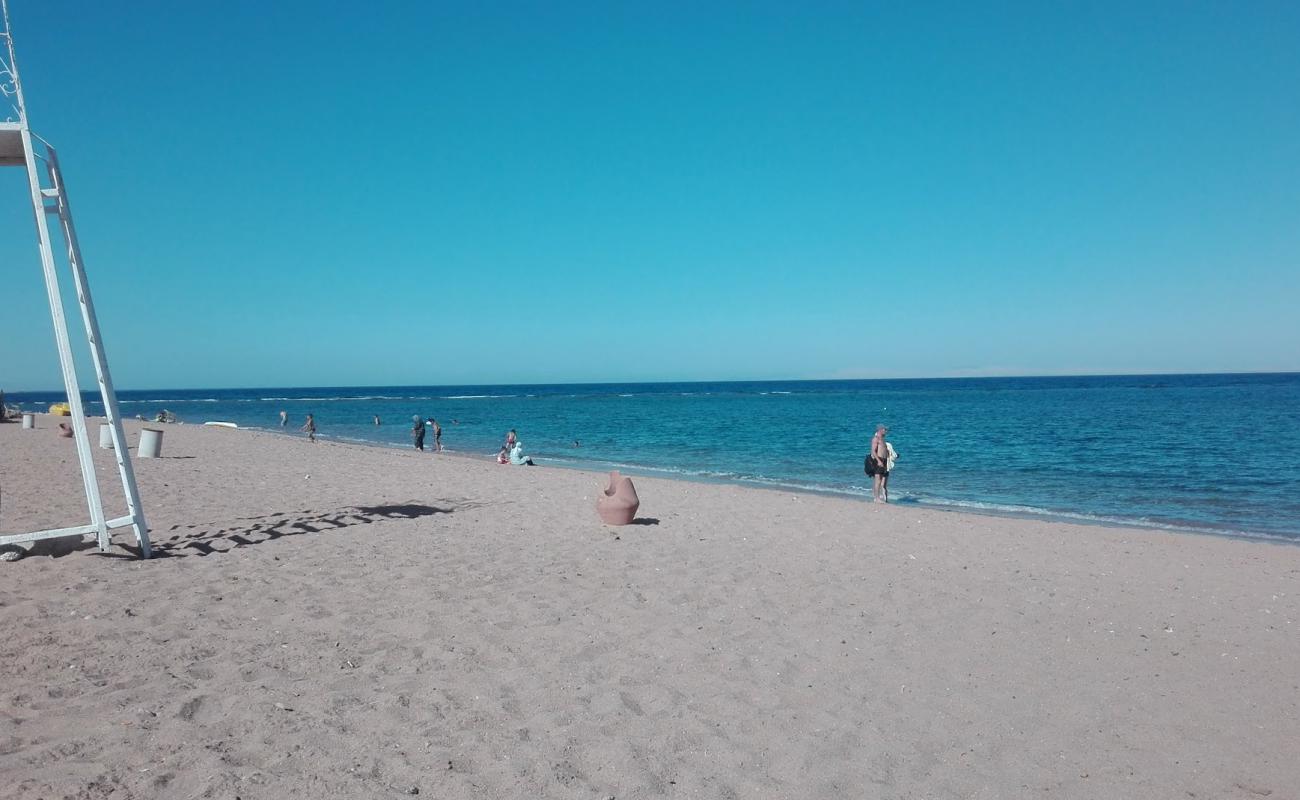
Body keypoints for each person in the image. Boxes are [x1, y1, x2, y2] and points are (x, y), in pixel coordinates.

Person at [865, 424, 889, 502]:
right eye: (885, 430)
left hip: (884, 460)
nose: (886, 431)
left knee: (881, 480)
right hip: (879, 460)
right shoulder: (876, 439)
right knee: (877, 480)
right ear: (880, 430)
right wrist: (879, 461)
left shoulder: (882, 438)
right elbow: (873, 451)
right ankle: (876, 498)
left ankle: (879, 497)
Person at [882, 439, 899, 503]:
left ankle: (882, 498)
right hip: (884, 467)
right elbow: (894, 456)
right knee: (883, 485)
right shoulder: (887, 445)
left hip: (881, 467)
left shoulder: (879, 445)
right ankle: (884, 499)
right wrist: (897, 456)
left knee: (881, 484)